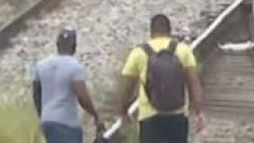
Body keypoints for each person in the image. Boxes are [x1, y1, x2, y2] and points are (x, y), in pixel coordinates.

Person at [118, 15, 206, 143]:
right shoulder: (183, 50)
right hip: (178, 115)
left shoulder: (139, 52)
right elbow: (194, 83)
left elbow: (128, 87)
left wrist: (123, 111)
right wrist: (199, 112)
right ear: (169, 31)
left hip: (149, 117)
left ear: (151, 32)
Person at [33, 29, 102, 143]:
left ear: (57, 44)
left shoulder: (41, 65)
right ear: (74, 46)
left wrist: (43, 114)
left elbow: (36, 93)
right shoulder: (74, 67)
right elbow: (82, 97)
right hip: (66, 123)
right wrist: (95, 115)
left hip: (47, 122)